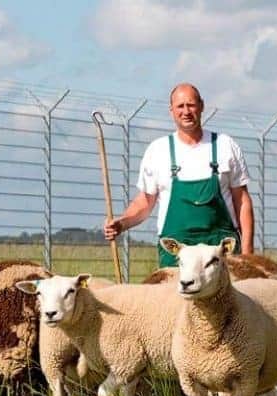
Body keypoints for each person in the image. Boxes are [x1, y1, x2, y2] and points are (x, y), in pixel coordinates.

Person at [103, 83, 254, 267]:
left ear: (201, 106)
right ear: (171, 111)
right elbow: (145, 202)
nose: (186, 111)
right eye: (180, 106)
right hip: (177, 255)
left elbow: (242, 201)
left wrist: (247, 256)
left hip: (221, 253)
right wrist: (121, 223)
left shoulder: (225, 146)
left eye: (191, 105)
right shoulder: (158, 151)